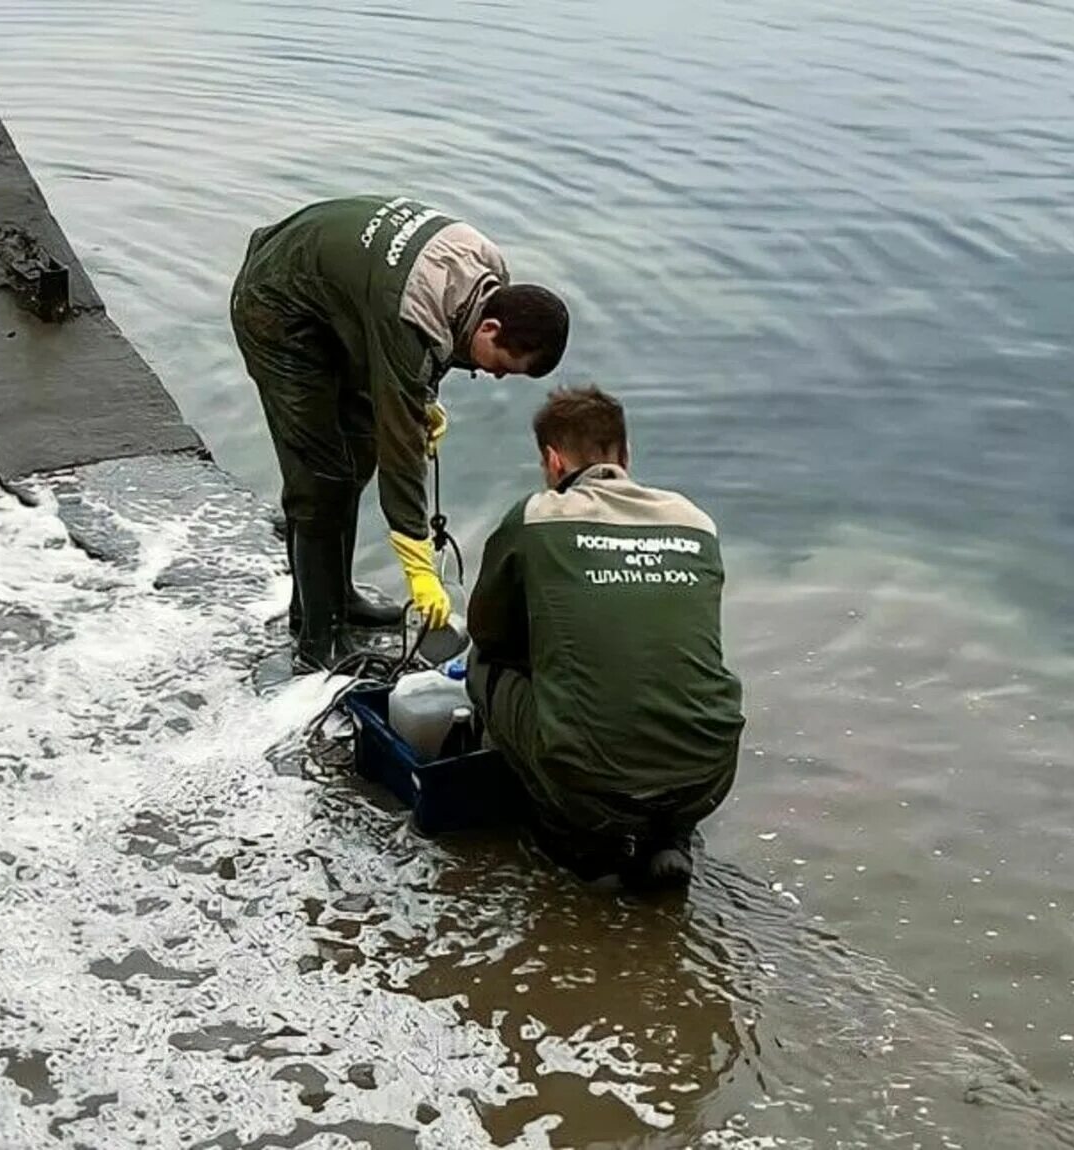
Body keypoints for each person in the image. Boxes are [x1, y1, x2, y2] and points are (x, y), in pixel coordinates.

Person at [230, 195, 571, 670]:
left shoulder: (487, 270)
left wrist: (421, 400)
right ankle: (317, 641)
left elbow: (429, 349)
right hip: (278, 307)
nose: (495, 377)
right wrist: (419, 569)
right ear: (492, 327)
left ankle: (337, 600)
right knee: (320, 479)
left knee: (357, 456)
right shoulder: (414, 309)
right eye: (502, 366)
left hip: (341, 305)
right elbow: (402, 453)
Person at [464, 384, 744, 888]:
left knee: (481, 664)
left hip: (589, 784)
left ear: (553, 461)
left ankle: (580, 846)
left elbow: (488, 631)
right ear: (627, 456)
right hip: (708, 775)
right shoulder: (695, 521)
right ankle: (670, 837)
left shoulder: (535, 516)